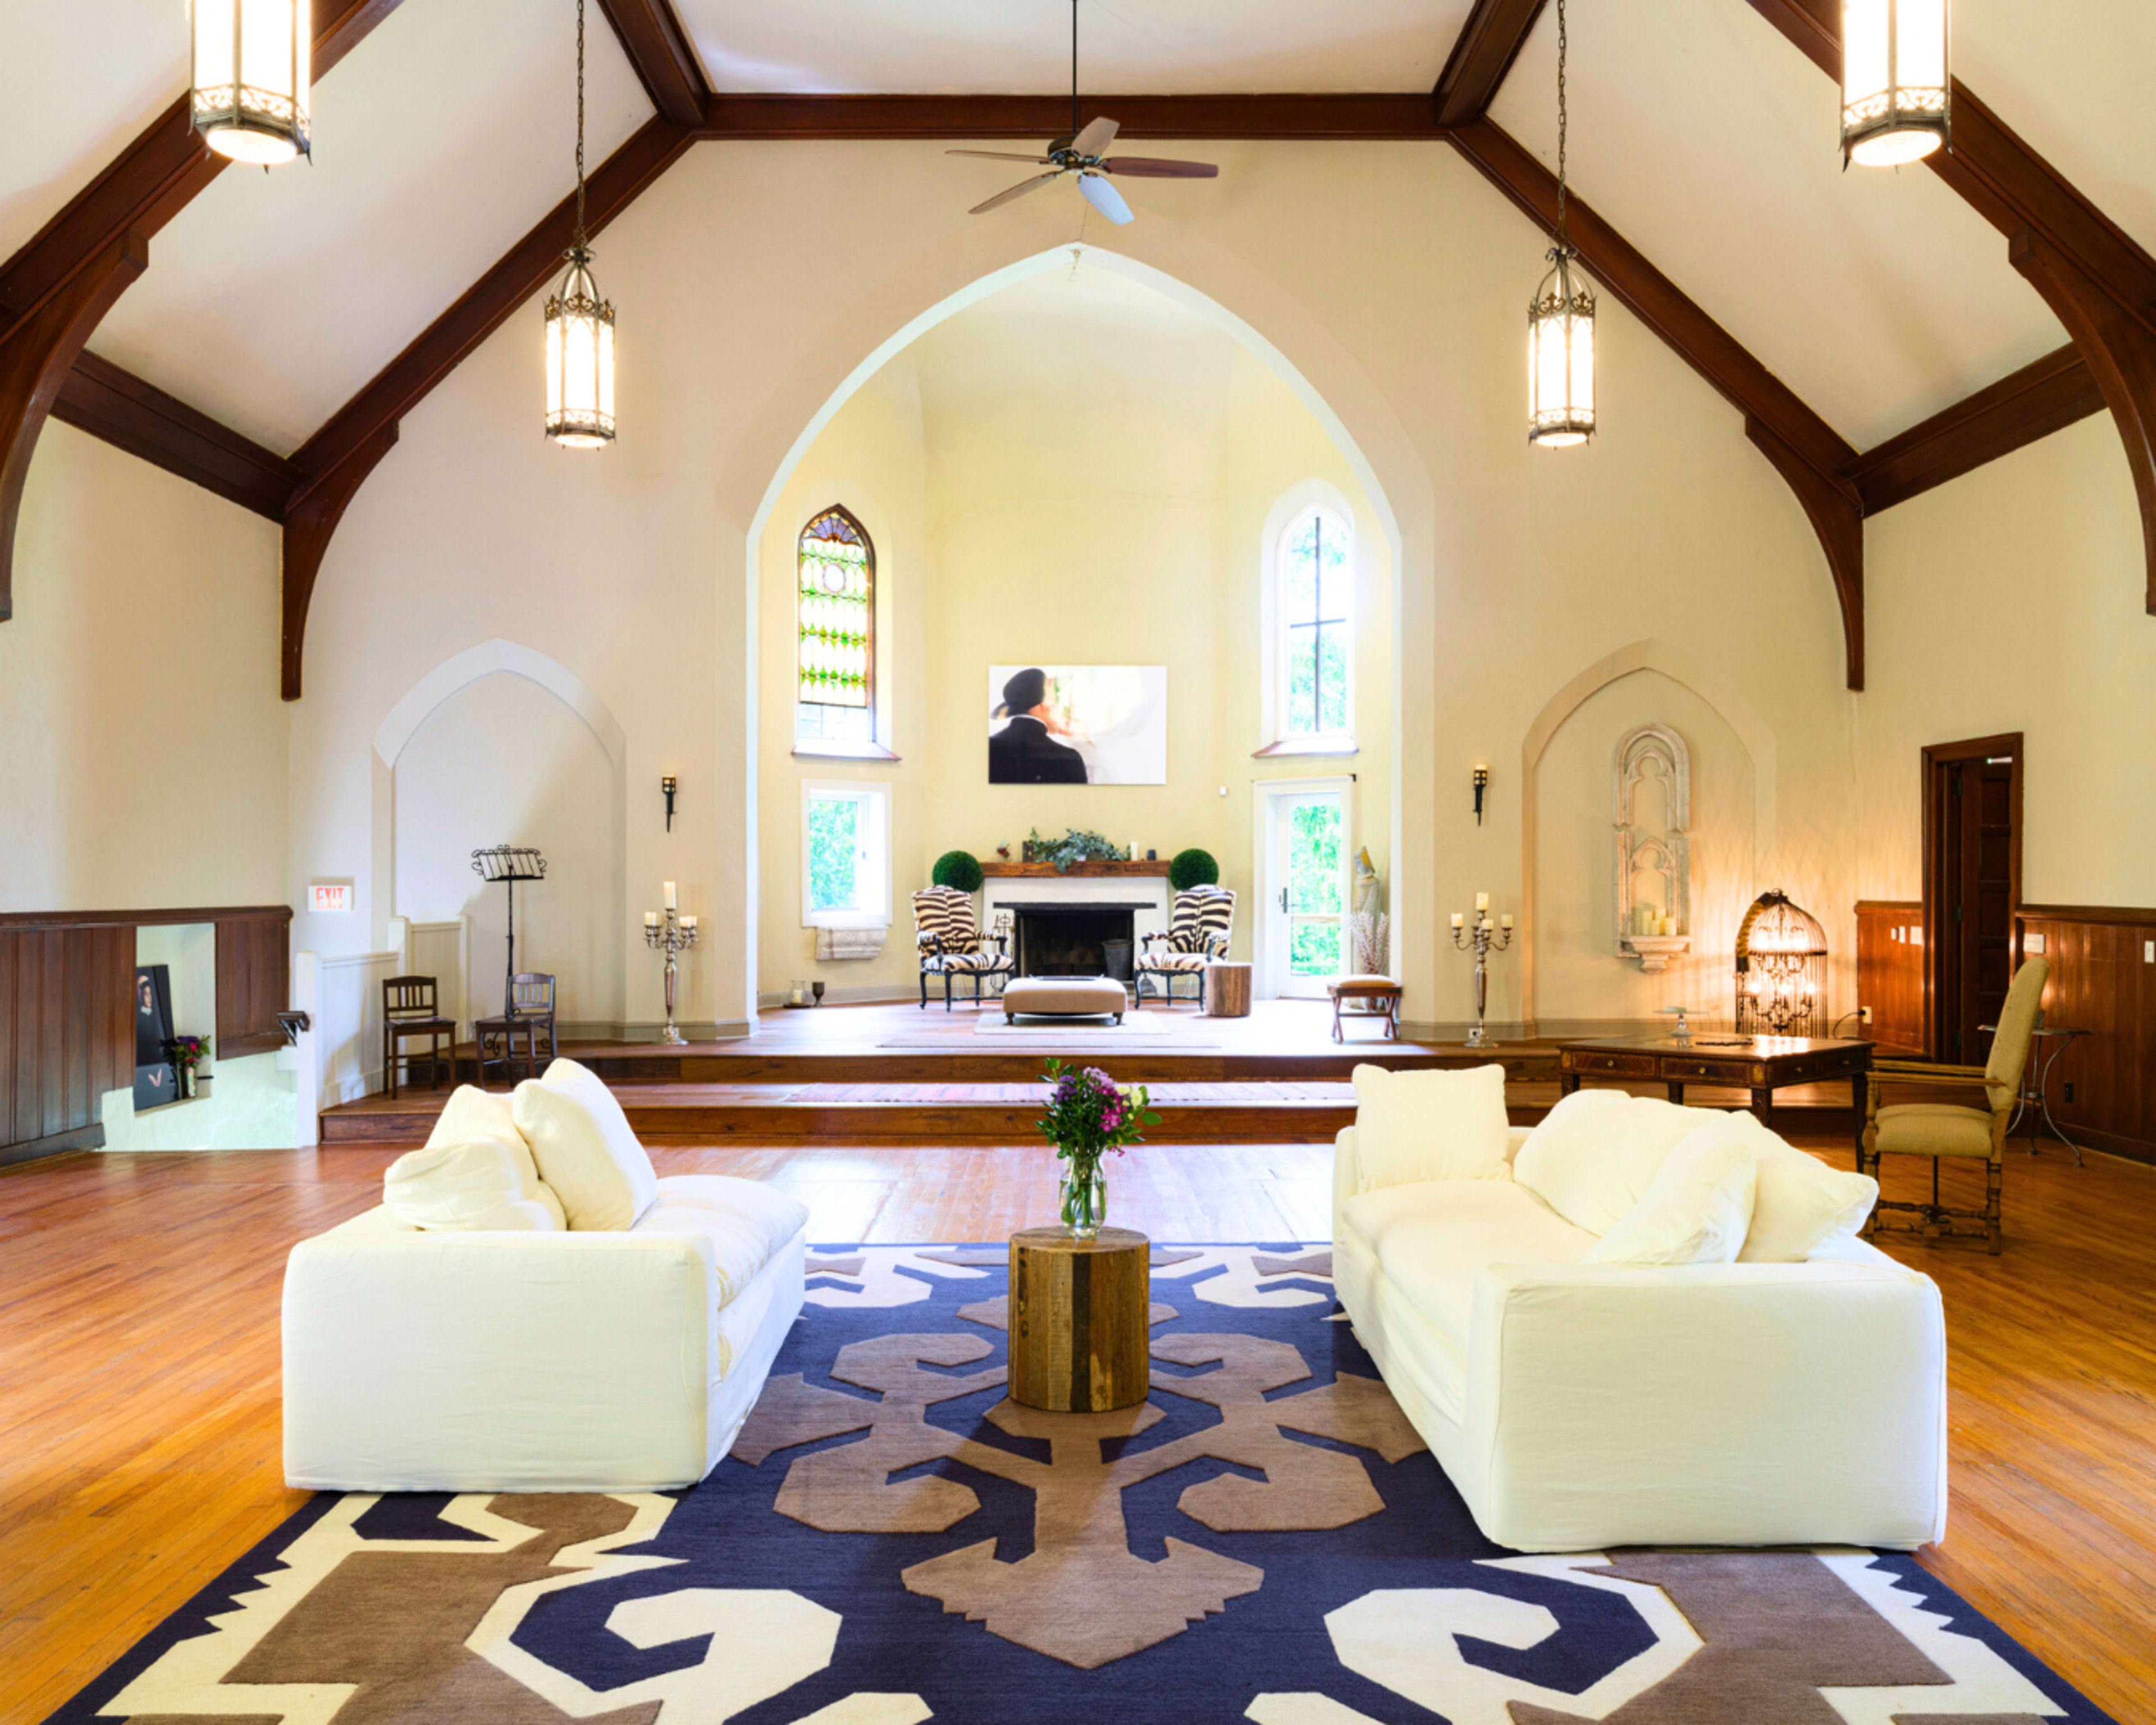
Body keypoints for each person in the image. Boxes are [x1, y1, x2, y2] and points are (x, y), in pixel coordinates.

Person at [989, 668, 1089, 783]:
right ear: (1043, 705)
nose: (1059, 708)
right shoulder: (1069, 758)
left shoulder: (987, 748)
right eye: (1055, 701)